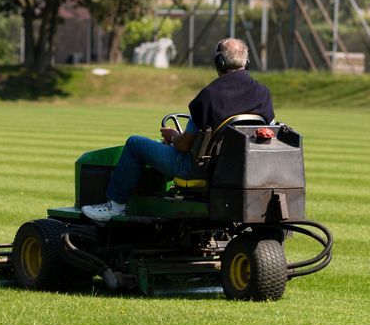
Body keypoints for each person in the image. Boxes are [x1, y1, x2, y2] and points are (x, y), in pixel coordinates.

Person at [81, 38, 274, 222]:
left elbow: (183, 146)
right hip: (244, 170)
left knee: (134, 144)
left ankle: (114, 206)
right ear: (246, 62)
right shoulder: (263, 93)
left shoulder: (208, 96)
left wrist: (174, 137)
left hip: (200, 170)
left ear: (219, 62)